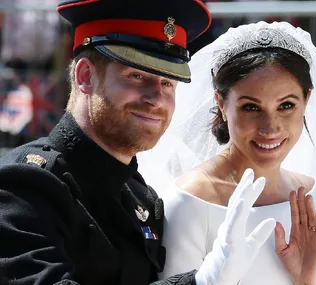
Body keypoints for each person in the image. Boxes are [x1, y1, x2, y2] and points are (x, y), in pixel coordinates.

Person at [0, 1, 277, 285]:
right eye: (137, 76)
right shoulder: (23, 187)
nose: (156, 98)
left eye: (168, 82)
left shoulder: (141, 198)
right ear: (85, 76)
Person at [137, 21, 316, 284]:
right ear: (222, 104)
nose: (270, 127)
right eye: (251, 108)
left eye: (286, 105)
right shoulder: (190, 201)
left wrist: (307, 279)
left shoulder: (312, 196)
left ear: (306, 100)